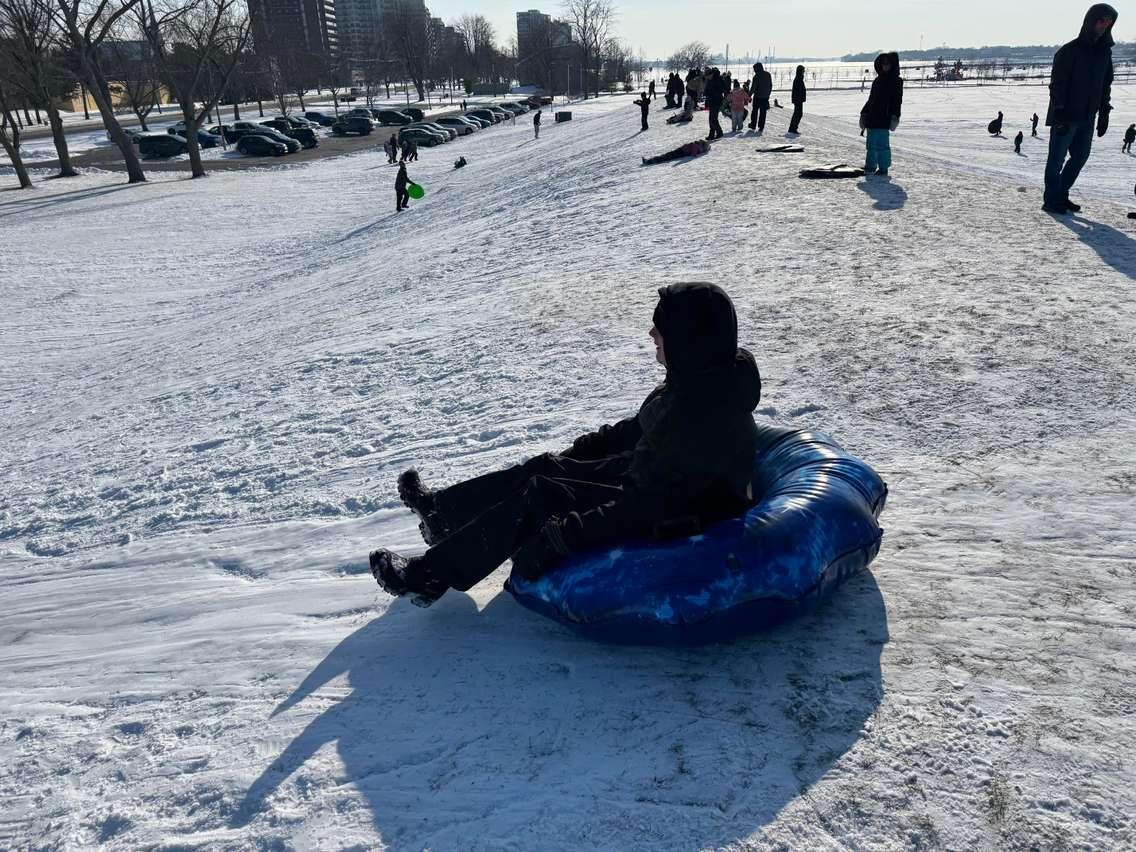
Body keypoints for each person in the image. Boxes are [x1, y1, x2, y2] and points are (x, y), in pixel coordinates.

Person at [369, 283, 762, 607]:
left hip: (673, 513)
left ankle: (428, 577)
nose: (650, 335)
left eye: (660, 330)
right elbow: (638, 431)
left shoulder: (701, 416)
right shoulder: (697, 381)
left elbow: (647, 506)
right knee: (545, 467)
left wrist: (563, 536)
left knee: (539, 496)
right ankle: (441, 516)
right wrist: (575, 455)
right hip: (646, 478)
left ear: (687, 341)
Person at [1043, 4, 1117, 214]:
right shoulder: (1069, 51)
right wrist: (1060, 112)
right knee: (1056, 160)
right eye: (1101, 20)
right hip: (1065, 116)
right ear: (1091, 20)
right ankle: (1050, 200)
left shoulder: (1104, 54)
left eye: (1108, 22)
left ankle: (1061, 194)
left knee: (1080, 157)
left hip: (1087, 117)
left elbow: (1105, 85)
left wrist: (1104, 113)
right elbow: (1057, 84)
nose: (1104, 25)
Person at [859, 52, 903, 177]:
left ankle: (883, 168)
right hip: (873, 117)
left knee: (882, 145)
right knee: (871, 144)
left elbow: (897, 101)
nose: (885, 66)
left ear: (892, 65)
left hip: (885, 117)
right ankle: (870, 166)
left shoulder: (896, 81)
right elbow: (871, 99)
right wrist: (864, 112)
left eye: (887, 64)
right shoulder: (877, 80)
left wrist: (895, 116)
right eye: (883, 64)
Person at [641, 139, 710, 165]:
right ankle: (650, 160)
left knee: (665, 157)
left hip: (681, 152)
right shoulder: (696, 145)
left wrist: (695, 153)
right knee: (666, 156)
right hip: (680, 150)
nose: (699, 141)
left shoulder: (696, 146)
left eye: (701, 142)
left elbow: (693, 154)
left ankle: (649, 161)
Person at [748, 62, 773, 133]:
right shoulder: (768, 75)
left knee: (754, 111)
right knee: (763, 112)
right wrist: (768, 94)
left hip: (758, 97)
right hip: (765, 97)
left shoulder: (756, 77)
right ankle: (761, 126)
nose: (754, 70)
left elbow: (753, 87)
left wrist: (749, 95)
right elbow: (770, 86)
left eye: (754, 69)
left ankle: (753, 125)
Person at [704, 68, 726, 140]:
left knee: (713, 119)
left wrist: (713, 92)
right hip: (711, 101)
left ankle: (719, 132)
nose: (706, 78)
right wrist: (706, 93)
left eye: (707, 76)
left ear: (711, 74)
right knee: (711, 119)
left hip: (717, 101)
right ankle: (712, 134)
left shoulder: (718, 79)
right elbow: (707, 89)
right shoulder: (709, 80)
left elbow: (724, 89)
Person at [788, 65, 806, 134]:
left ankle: (793, 128)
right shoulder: (798, 79)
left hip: (798, 99)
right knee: (798, 114)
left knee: (798, 114)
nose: (804, 72)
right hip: (798, 99)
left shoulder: (799, 78)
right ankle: (792, 128)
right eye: (803, 70)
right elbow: (798, 90)